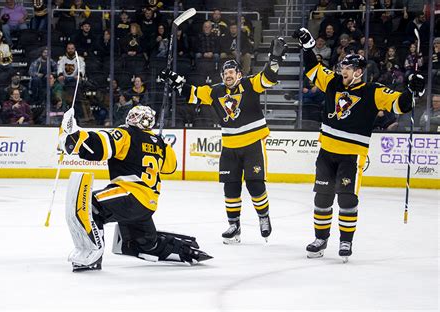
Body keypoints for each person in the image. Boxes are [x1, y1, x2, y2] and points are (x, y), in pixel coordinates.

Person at [293, 27, 425, 262]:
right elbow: (313, 69)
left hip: (352, 156)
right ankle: (321, 238)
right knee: (322, 198)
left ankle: (346, 241)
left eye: (347, 67)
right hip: (326, 152)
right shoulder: (333, 83)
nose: (342, 70)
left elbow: (400, 104)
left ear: (359, 71)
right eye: (342, 66)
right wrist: (308, 47)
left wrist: (413, 90)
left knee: (346, 199)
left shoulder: (373, 91)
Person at [160, 37, 288, 244]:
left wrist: (275, 58)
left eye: (232, 72)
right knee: (230, 187)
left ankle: (263, 217)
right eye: (225, 73)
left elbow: (269, 78)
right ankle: (234, 225)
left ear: (239, 74)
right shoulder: (215, 91)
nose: (228, 76)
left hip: (253, 143)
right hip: (229, 146)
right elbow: (191, 93)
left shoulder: (250, 84)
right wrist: (174, 79)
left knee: (255, 185)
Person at [58, 105, 212, 271]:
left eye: (137, 116)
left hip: (129, 194)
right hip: (147, 204)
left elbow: (103, 144)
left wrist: (77, 138)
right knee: (145, 243)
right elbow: (171, 167)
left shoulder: (126, 133)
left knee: (90, 206)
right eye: (132, 114)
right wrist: (159, 145)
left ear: (145, 120)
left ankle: (92, 254)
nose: (132, 118)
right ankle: (182, 250)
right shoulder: (161, 144)